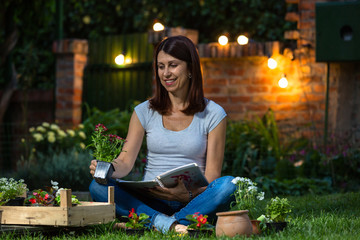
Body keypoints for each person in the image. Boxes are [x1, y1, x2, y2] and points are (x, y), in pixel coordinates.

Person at [89, 35, 236, 234]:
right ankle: (175, 225)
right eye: (161, 66)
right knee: (97, 187)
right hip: (152, 199)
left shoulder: (214, 114)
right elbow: (125, 161)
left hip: (193, 200)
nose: (166, 73)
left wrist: (185, 196)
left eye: (173, 65)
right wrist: (107, 169)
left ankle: (158, 223)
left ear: (191, 68)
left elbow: (212, 176)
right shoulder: (144, 111)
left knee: (228, 186)